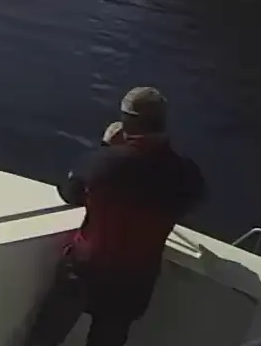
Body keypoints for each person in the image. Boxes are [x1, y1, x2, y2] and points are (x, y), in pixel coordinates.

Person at [21, 86, 207, 346]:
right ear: (162, 122)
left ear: (127, 121)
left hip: (86, 270)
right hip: (135, 280)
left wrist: (107, 146)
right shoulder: (186, 174)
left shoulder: (105, 162)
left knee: (44, 337)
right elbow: (191, 201)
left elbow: (71, 193)